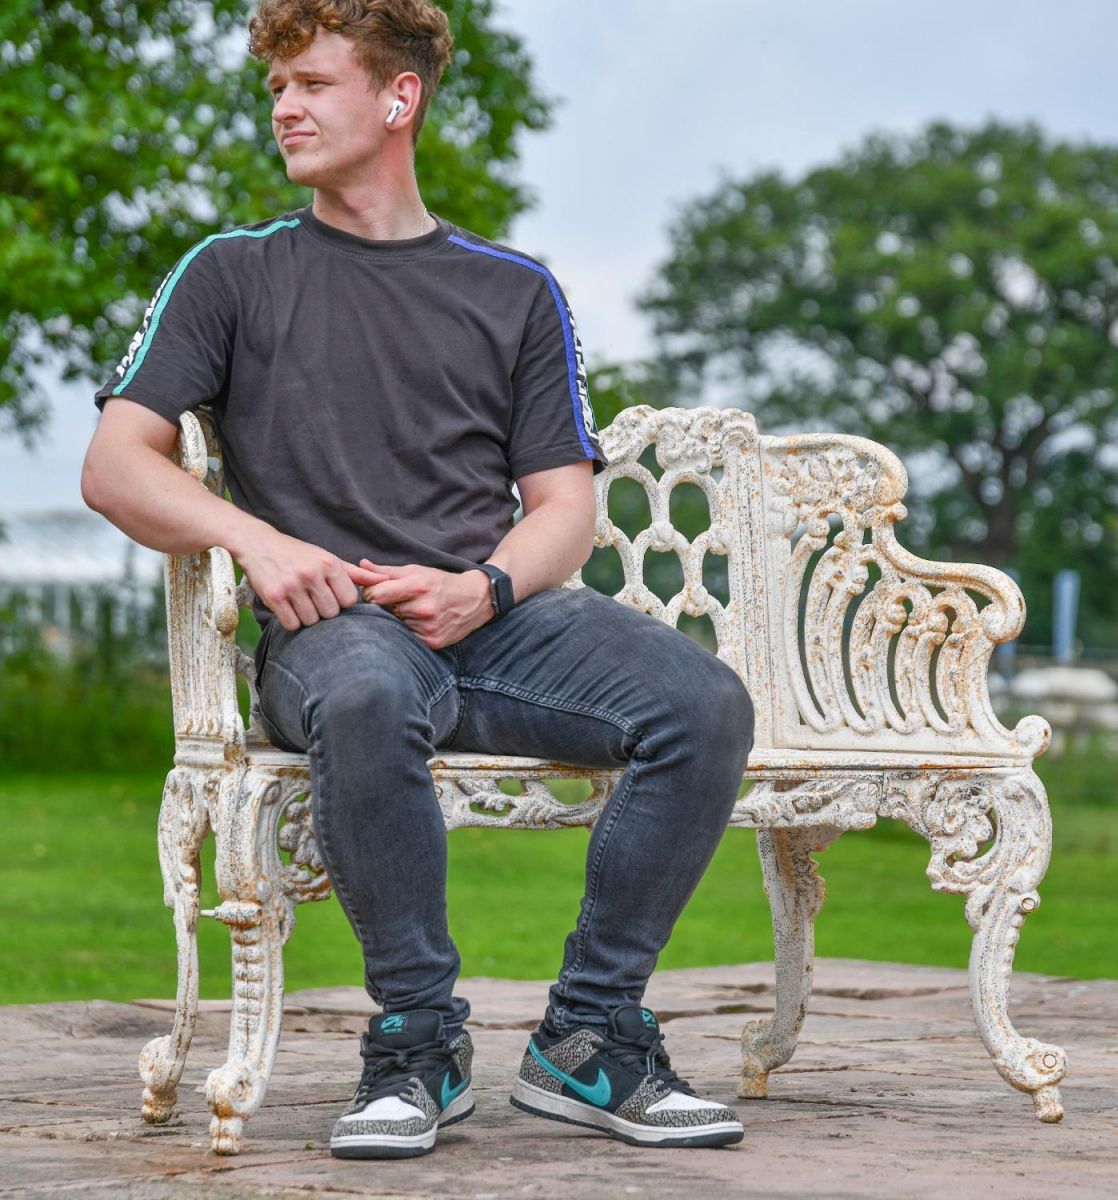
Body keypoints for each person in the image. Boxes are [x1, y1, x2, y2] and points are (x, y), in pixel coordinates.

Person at [82, 0, 756, 1160]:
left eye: (315, 84)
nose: (285, 107)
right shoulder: (232, 273)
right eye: (278, 88)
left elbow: (564, 510)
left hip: (489, 621)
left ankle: (587, 1040)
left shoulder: (513, 289)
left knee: (702, 706)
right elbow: (114, 464)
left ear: (399, 100)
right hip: (330, 628)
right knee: (366, 697)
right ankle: (415, 1041)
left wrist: (485, 589)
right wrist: (256, 541)